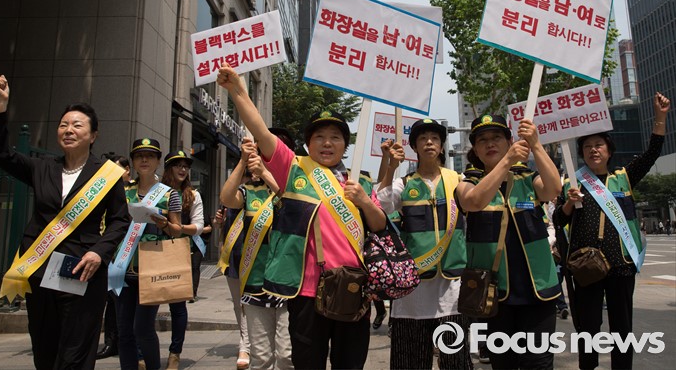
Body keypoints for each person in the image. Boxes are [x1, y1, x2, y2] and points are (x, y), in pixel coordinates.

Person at [217, 62, 386, 370]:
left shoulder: (360, 181)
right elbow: (261, 132)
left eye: (335, 137)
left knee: (350, 364)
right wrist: (238, 91)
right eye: (319, 136)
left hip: (353, 289)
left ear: (345, 145)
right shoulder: (293, 168)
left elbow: (379, 225)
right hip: (306, 292)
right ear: (308, 144)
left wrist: (364, 201)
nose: (327, 143)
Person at [0, 75, 130, 369]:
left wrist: (99, 253)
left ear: (93, 135)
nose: (68, 130)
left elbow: (119, 220)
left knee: (76, 353)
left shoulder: (106, 174)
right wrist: (1, 104)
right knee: (45, 349)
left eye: (77, 125)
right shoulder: (41, 167)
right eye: (63, 125)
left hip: (83, 271)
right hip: (41, 271)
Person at [554, 92, 670, 370]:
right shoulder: (572, 183)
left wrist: (660, 117)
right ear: (582, 153)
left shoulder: (624, 178)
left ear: (609, 150)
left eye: (599, 145)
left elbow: (652, 153)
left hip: (621, 264)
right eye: (587, 147)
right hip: (585, 266)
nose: (593, 150)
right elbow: (558, 220)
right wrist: (569, 202)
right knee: (588, 327)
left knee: (622, 326)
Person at [455, 114, 562, 369]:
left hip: (538, 290)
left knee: (539, 364)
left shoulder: (528, 179)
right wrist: (507, 161)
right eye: (482, 140)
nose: (490, 143)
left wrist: (535, 145)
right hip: (494, 296)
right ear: (476, 150)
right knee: (503, 364)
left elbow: (553, 189)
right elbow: (474, 202)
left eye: (496, 137)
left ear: (510, 141)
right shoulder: (467, 184)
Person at [377, 119, 471, 370]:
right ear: (414, 147)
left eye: (435, 138)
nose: (429, 142)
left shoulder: (458, 179)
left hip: (452, 287)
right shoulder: (405, 183)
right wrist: (391, 167)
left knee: (456, 362)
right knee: (410, 361)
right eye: (422, 138)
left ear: (441, 146)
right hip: (413, 291)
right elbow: (381, 205)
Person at [220, 135, 293, 370]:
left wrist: (267, 174)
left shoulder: (296, 186)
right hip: (255, 281)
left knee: (287, 355)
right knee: (260, 357)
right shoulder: (250, 190)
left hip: (289, 283)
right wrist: (242, 160)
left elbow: (291, 206)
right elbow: (226, 198)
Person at [112, 138, 182, 370]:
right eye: (139, 156)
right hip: (122, 269)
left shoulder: (169, 194)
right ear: (132, 161)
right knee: (124, 331)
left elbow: (178, 230)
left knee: (142, 329)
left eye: (150, 156)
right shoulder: (122, 191)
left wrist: (164, 224)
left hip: (152, 270)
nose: (144, 160)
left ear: (158, 161)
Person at [160, 150, 206, 369]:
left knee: (178, 307)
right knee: (146, 306)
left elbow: (199, 226)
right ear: (168, 168)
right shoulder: (155, 192)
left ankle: (174, 354)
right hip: (152, 252)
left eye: (185, 166)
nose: (182, 169)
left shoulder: (193, 195)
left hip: (179, 252)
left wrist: (176, 228)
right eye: (177, 165)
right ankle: (142, 355)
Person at [97, 153, 133, 360]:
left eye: (116, 168)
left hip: (126, 255)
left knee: (121, 302)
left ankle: (122, 341)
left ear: (127, 170)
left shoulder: (134, 191)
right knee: (107, 301)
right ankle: (110, 341)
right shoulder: (102, 190)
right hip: (103, 252)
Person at [215, 196, 252, 369]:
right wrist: (219, 222)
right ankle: (245, 345)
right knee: (239, 304)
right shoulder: (230, 194)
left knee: (253, 304)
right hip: (233, 255)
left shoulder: (263, 191)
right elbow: (223, 225)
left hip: (257, 256)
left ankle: (248, 345)